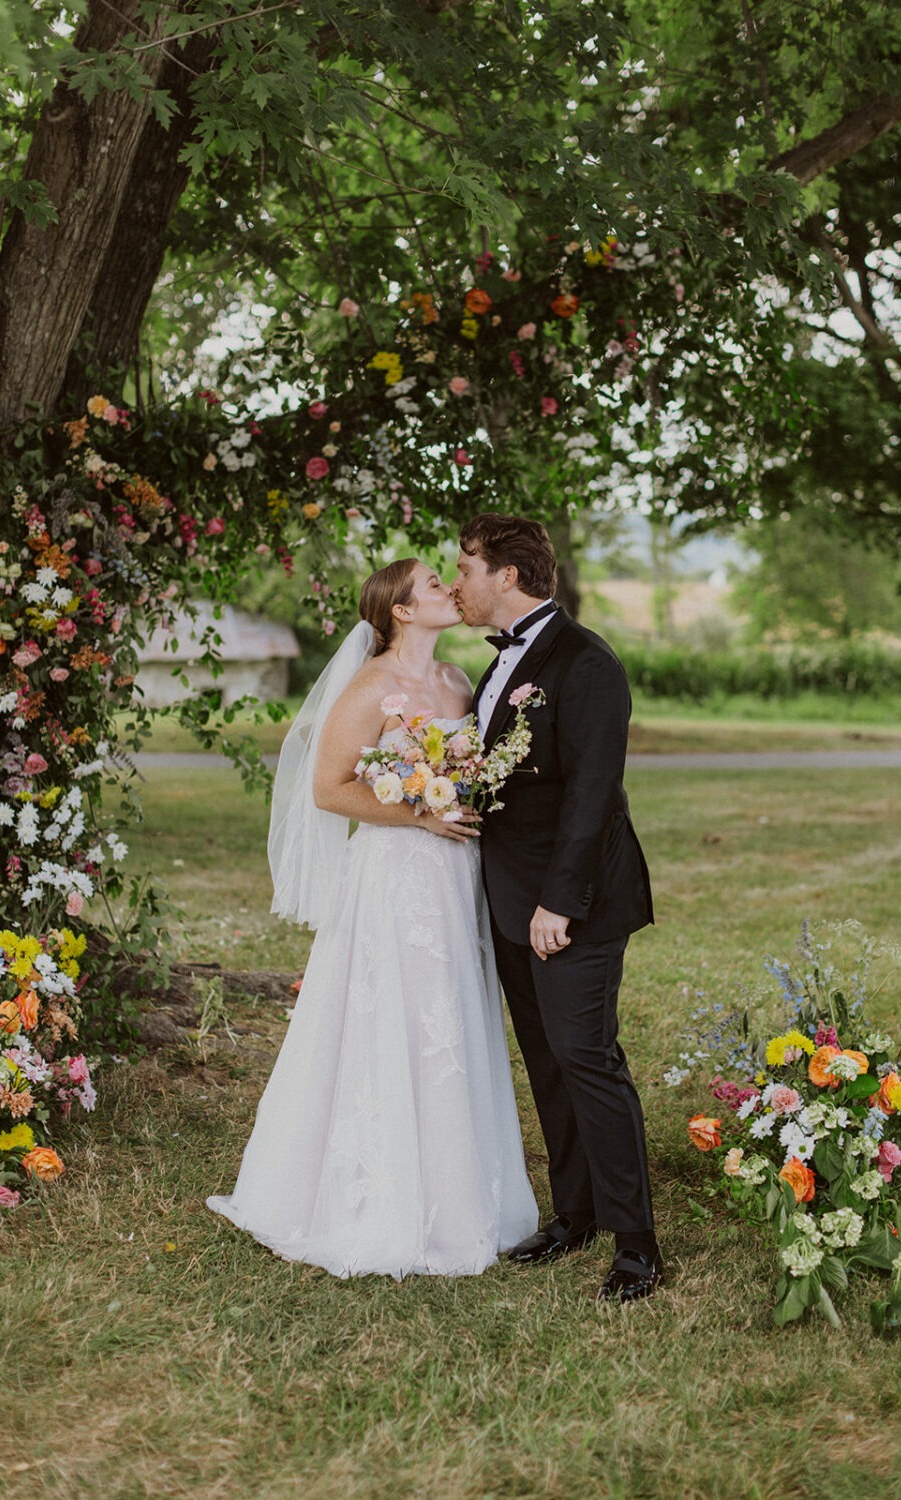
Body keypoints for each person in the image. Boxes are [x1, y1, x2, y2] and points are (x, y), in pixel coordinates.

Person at [207, 558, 538, 1278]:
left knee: (452, 1016)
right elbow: (329, 791)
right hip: (396, 874)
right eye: (431, 586)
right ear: (401, 611)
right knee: (393, 1015)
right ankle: (373, 1198)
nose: (449, 589)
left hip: (456, 874)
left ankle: (462, 1194)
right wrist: (420, 812)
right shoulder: (369, 688)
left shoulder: (456, 683)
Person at [451, 515, 660, 1304]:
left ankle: (637, 1245)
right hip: (508, 900)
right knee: (546, 1061)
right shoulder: (500, 664)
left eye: (467, 568)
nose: (459, 583)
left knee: (587, 1058)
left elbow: (592, 796)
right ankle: (575, 1214)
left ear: (508, 575)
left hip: (572, 904)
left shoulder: (587, 663)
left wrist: (557, 904)